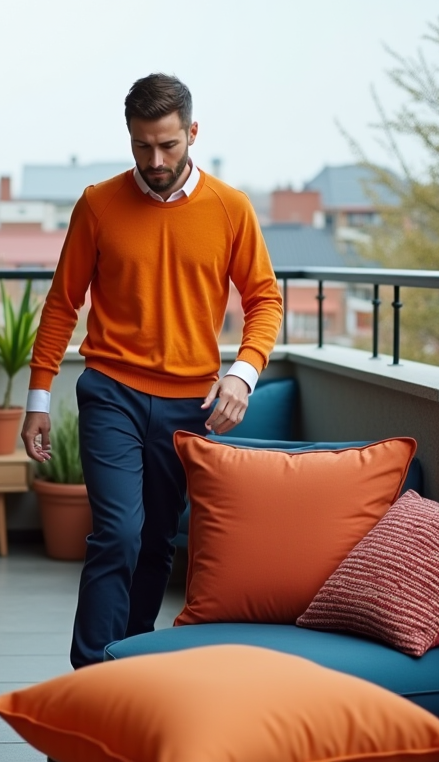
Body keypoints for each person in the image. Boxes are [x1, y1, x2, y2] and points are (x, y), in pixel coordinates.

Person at [21, 73, 283, 670]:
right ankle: (89, 679)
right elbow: (64, 303)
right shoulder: (98, 204)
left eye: (167, 145)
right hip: (111, 391)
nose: (155, 159)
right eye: (142, 146)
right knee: (117, 534)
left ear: (192, 133)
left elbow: (265, 300)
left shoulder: (230, 209)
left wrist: (242, 372)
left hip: (188, 404)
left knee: (158, 544)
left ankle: (129, 660)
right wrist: (38, 398)